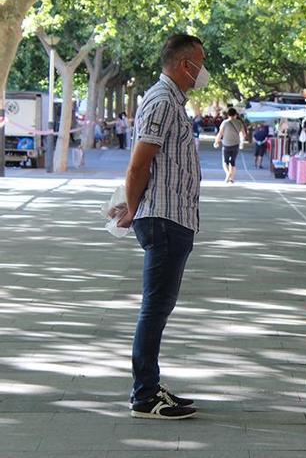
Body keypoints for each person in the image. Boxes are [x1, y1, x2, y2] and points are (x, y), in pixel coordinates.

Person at [115, 33, 208, 420]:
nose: (203, 70)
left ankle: (151, 385)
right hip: (164, 219)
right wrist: (131, 207)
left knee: (159, 308)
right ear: (184, 64)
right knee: (155, 309)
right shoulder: (162, 101)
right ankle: (145, 395)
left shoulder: (171, 102)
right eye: (200, 62)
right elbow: (140, 163)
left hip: (174, 218)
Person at [213, 108, 247, 183]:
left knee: (225, 162)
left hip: (226, 144)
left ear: (228, 115)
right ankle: (231, 178)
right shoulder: (239, 123)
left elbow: (220, 133)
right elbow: (243, 134)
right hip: (236, 144)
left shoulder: (225, 123)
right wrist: (242, 142)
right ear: (235, 115)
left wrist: (216, 141)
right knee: (233, 162)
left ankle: (228, 174)